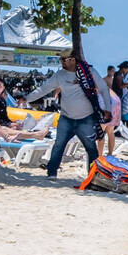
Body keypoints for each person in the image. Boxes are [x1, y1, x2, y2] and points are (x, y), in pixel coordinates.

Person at [24, 49, 111, 178]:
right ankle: (51, 173)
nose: (63, 62)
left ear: (73, 59)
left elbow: (103, 89)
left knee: (91, 148)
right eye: (62, 60)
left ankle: (93, 176)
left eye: (65, 59)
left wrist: (108, 109)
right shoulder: (59, 75)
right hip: (66, 118)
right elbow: (43, 89)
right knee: (58, 145)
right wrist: (26, 99)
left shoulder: (89, 72)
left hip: (86, 119)